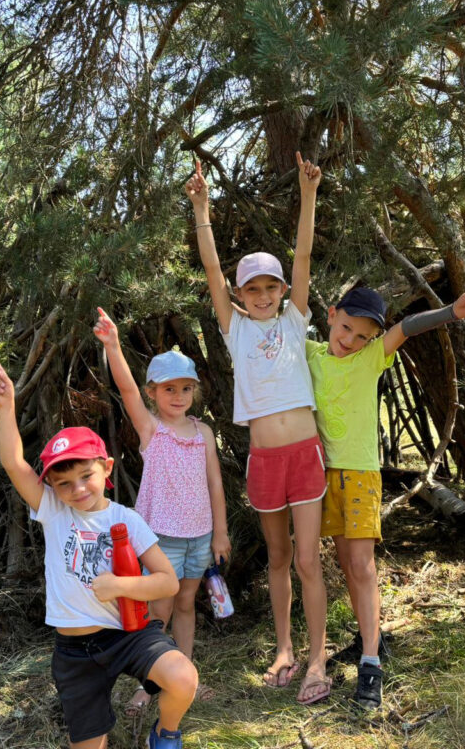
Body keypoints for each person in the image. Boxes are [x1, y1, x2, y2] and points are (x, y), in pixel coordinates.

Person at [0, 354, 198, 749]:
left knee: (183, 678)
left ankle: (166, 732)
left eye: (86, 476)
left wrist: (120, 585)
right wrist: (5, 406)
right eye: (64, 483)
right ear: (53, 487)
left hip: (126, 634)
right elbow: (14, 464)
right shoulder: (52, 510)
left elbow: (167, 583)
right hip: (75, 651)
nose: (77, 489)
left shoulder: (128, 519)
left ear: (107, 469)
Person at [186, 154, 331, 705]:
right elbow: (211, 268)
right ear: (241, 296)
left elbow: (303, 254)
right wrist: (201, 208)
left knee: (307, 558)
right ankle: (285, 649)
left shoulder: (295, 320)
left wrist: (308, 193)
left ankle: (318, 659)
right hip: (265, 461)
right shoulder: (235, 331)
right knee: (276, 558)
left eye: (272, 286)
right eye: (254, 289)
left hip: (304, 452)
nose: (265, 295)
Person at [305, 285, 465, 709]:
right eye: (346, 328)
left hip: (360, 473)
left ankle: (371, 664)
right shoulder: (312, 354)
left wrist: (452, 312)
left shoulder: (371, 358)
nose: (350, 341)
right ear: (331, 315)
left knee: (362, 565)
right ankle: (370, 638)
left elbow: (406, 327)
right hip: (323, 474)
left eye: (362, 337)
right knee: (345, 563)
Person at [92, 308, 231, 714]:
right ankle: (150, 684)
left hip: (199, 536)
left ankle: (184, 676)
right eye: (168, 389)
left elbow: (215, 484)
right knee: (160, 611)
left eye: (185, 389)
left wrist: (220, 532)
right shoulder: (153, 430)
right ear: (154, 392)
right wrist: (114, 345)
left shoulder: (203, 432)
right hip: (160, 538)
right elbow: (127, 391)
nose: (178, 397)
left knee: (186, 604)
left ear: (194, 392)